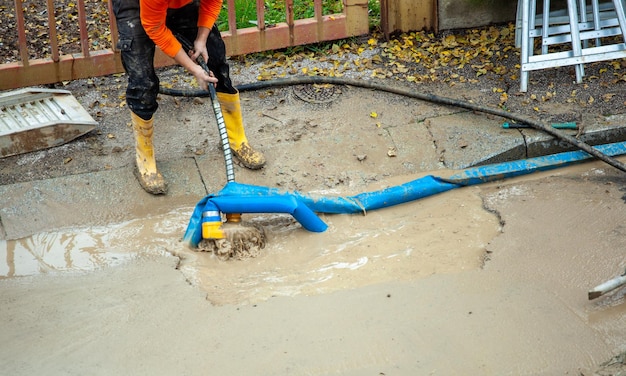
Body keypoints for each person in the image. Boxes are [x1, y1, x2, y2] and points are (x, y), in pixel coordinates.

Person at [111, 0, 266, 195]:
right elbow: (155, 27)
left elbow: (212, 2)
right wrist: (194, 69)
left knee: (215, 60)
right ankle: (145, 159)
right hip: (134, 4)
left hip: (181, 5)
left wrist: (201, 40)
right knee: (142, 82)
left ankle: (236, 139)